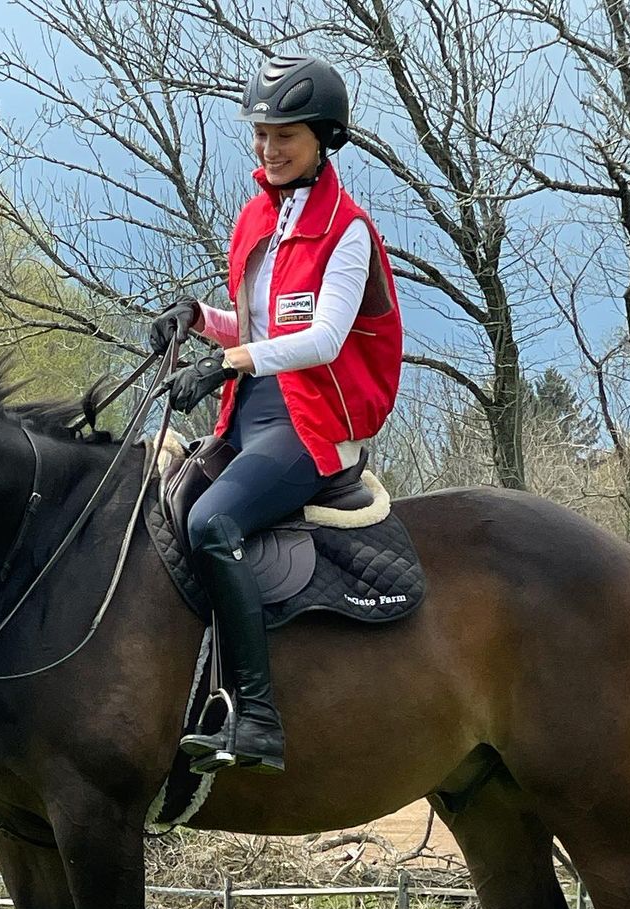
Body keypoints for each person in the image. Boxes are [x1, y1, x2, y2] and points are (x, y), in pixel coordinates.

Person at [150, 53, 403, 775]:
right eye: (260, 134)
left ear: (324, 137)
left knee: (212, 523)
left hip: (312, 423)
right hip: (251, 411)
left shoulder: (348, 231)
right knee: (163, 511)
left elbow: (321, 339)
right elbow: (258, 326)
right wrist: (199, 319)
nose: (267, 149)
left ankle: (256, 716)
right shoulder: (256, 217)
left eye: (283, 136)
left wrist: (227, 363)